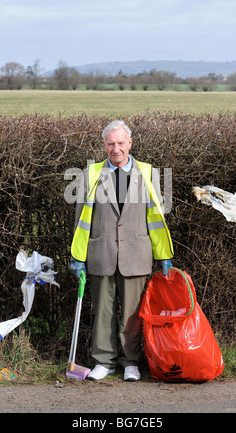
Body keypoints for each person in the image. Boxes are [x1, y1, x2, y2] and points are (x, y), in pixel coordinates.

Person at [70, 120, 173, 381]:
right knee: (102, 311)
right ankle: (104, 362)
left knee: (132, 314)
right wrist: (77, 257)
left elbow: (156, 218)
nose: (116, 149)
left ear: (130, 143)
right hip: (100, 253)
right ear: (104, 145)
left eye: (120, 143)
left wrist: (164, 255)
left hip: (136, 254)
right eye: (110, 143)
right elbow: (80, 220)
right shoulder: (90, 173)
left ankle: (130, 363)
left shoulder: (150, 173)